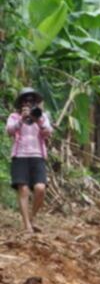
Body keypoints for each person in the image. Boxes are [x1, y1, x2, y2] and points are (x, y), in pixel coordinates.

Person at [5, 87, 53, 233]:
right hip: (20, 156)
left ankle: (31, 218)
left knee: (40, 189)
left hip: (37, 156)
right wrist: (21, 120)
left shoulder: (42, 116)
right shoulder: (14, 116)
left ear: (35, 103)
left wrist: (37, 120)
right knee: (23, 189)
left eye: (31, 100)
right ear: (21, 103)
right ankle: (27, 225)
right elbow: (9, 131)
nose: (28, 102)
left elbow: (48, 133)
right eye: (25, 100)